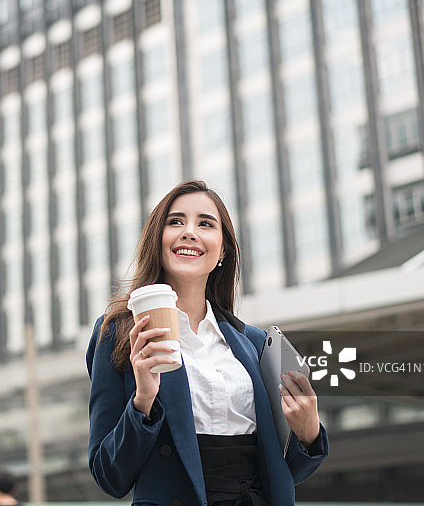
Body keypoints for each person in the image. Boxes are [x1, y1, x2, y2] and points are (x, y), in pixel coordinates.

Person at [87, 180, 328, 506]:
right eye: (175, 221)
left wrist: (307, 429)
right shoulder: (117, 334)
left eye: (205, 223)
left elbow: (287, 474)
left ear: (222, 250)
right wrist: (143, 400)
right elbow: (109, 476)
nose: (189, 232)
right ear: (157, 240)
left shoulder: (255, 343)